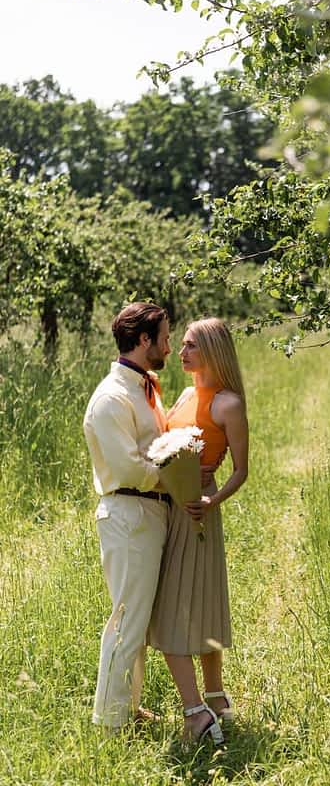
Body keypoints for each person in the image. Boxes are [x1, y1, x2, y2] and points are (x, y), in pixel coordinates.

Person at [150, 317, 248, 745]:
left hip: (199, 507)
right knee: (184, 601)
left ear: (211, 350)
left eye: (191, 346)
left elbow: (242, 471)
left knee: (194, 602)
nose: (183, 353)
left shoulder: (228, 404)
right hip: (169, 505)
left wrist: (211, 500)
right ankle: (212, 698)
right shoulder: (186, 393)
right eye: (183, 345)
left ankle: (204, 706)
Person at [83, 302, 172, 731]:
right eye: (165, 338)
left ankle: (127, 707)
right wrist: (178, 477)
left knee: (137, 619)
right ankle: (110, 722)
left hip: (147, 512)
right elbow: (129, 468)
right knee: (126, 620)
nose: (170, 347)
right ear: (143, 341)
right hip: (128, 513)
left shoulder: (142, 387)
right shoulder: (111, 398)